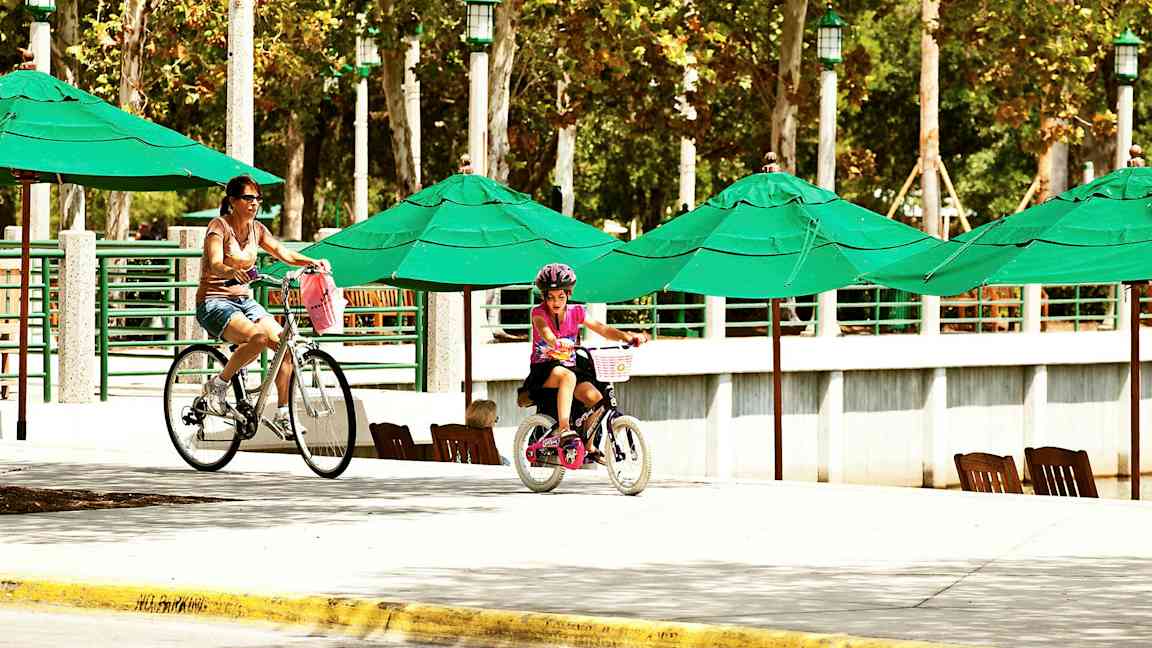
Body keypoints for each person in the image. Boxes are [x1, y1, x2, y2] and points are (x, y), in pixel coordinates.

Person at [195, 175, 331, 438]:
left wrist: (311, 262)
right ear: (233, 201)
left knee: (285, 346)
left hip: (244, 301)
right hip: (214, 302)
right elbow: (214, 264)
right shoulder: (218, 227)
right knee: (257, 338)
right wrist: (231, 271)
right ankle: (219, 385)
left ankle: (282, 414)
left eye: (257, 198)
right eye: (248, 198)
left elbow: (284, 252)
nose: (254, 203)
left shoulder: (257, 230)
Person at [521, 263, 646, 455]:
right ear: (544, 296)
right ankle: (564, 428)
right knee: (567, 377)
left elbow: (602, 329)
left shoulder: (576, 311)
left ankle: (588, 446)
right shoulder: (538, 313)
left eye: (561, 296)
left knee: (596, 399)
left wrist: (627, 337)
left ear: (569, 294)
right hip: (545, 368)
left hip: (571, 366)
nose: (556, 302)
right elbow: (545, 332)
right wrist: (556, 341)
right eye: (550, 297)